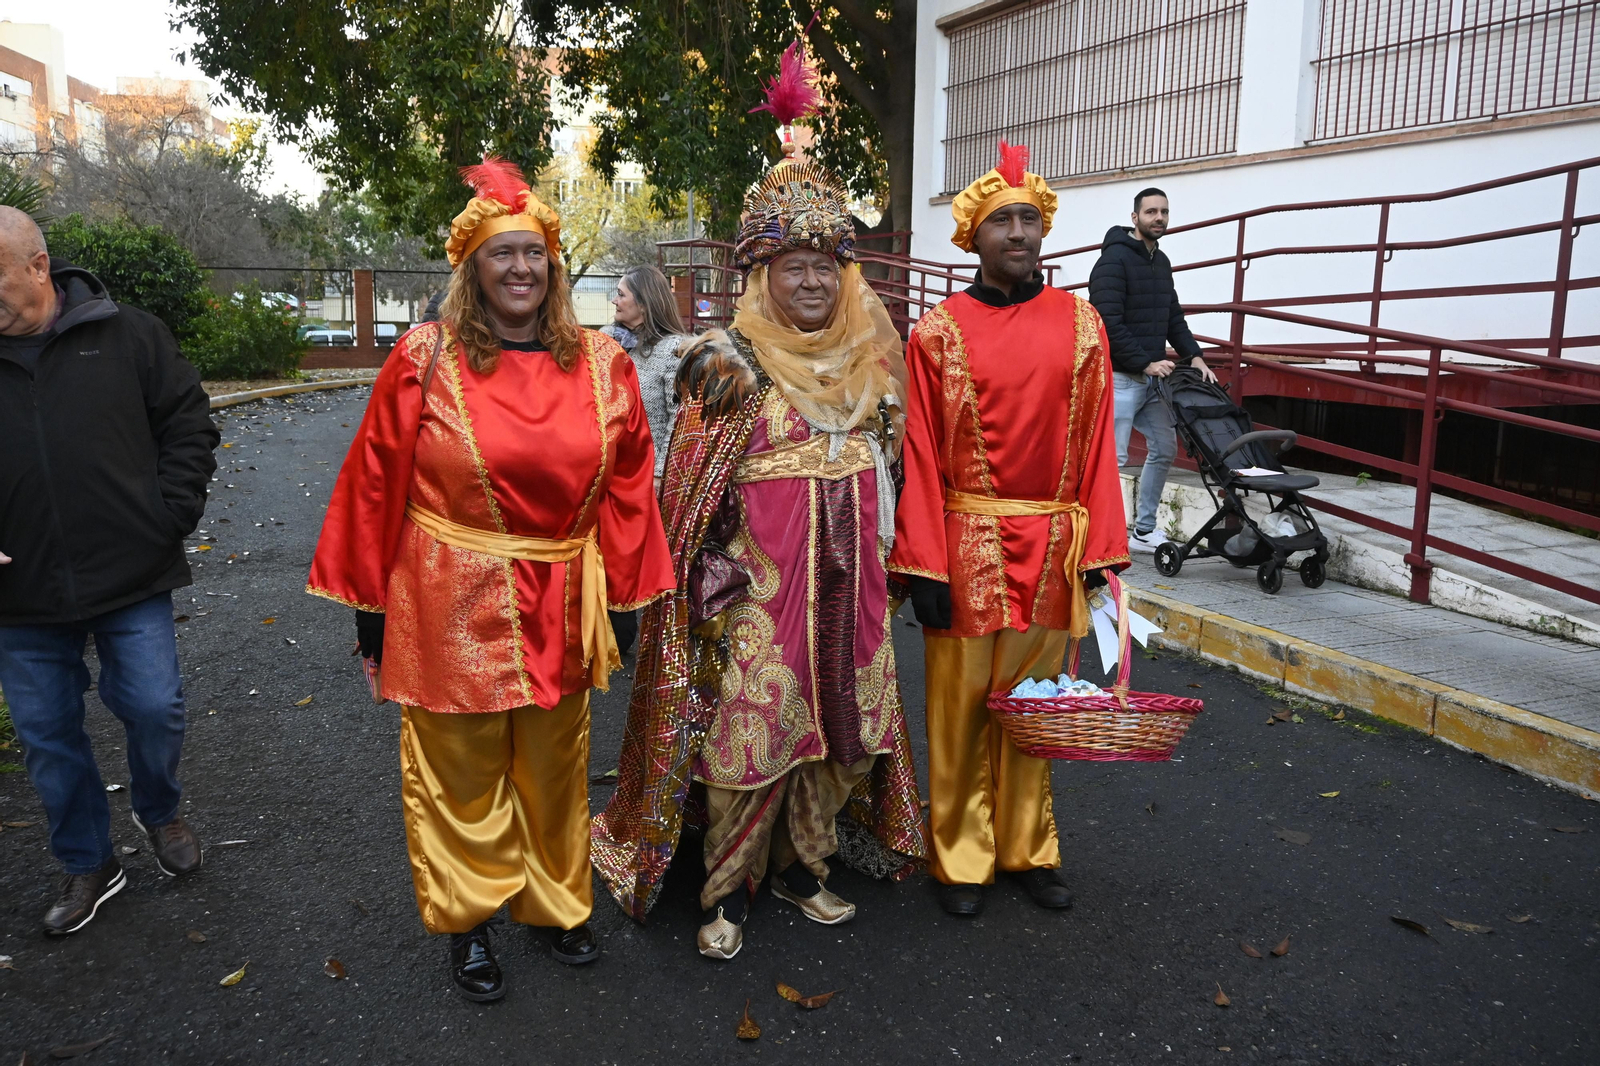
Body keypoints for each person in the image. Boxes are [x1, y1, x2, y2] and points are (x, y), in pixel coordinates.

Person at [307, 158, 673, 1002]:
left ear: (554, 267)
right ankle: (468, 918)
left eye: (534, 254)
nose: (519, 268)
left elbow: (627, 488)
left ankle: (555, 904)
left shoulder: (602, 366)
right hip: (447, 595)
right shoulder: (423, 360)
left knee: (555, 763)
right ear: (472, 269)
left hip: (562, 598)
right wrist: (372, 612)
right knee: (460, 767)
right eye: (501, 254)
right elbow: (375, 485)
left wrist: (622, 600)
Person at [591, 113, 925, 961]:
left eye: (825, 267)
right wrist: (698, 574)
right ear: (762, 275)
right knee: (749, 739)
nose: (811, 283)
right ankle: (724, 886)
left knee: (843, 736)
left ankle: (804, 866)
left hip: (856, 594)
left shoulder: (872, 369)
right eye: (793, 268)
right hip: (757, 595)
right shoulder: (728, 365)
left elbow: (894, 478)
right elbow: (688, 491)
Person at [889, 142, 1129, 918]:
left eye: (1031, 218)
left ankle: (1029, 847)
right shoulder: (936, 333)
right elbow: (920, 452)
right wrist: (922, 564)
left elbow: (1097, 444)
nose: (1020, 233)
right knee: (958, 712)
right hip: (966, 546)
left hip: (1052, 546)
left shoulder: (1082, 324)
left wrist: (1097, 554)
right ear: (973, 236)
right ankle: (960, 856)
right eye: (1004, 221)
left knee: (1037, 705)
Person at [0, 206, 217, 935]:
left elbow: (188, 420)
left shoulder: (127, 334)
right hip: (18, 595)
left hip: (131, 575)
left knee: (155, 707)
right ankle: (90, 860)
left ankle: (160, 811)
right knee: (48, 736)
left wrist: (169, 515)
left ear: (38, 267)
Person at [1088, 187, 1217, 552]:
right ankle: (1102, 538)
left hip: (1151, 382)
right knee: (1112, 462)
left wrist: (1194, 355)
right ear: (1135, 218)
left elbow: (1172, 315)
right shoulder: (1113, 262)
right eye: (1151, 212)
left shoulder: (1160, 261)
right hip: (1121, 378)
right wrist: (1144, 361)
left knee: (1164, 448)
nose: (1158, 218)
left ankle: (1143, 531)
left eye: (1164, 212)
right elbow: (1106, 323)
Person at [600, 264, 690, 655]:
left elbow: (678, 418)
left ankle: (654, 639)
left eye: (621, 293)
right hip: (614, 474)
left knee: (650, 558)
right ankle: (615, 629)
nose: (615, 300)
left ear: (645, 300)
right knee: (613, 555)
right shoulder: (614, 345)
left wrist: (659, 475)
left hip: (652, 478)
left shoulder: (675, 350)